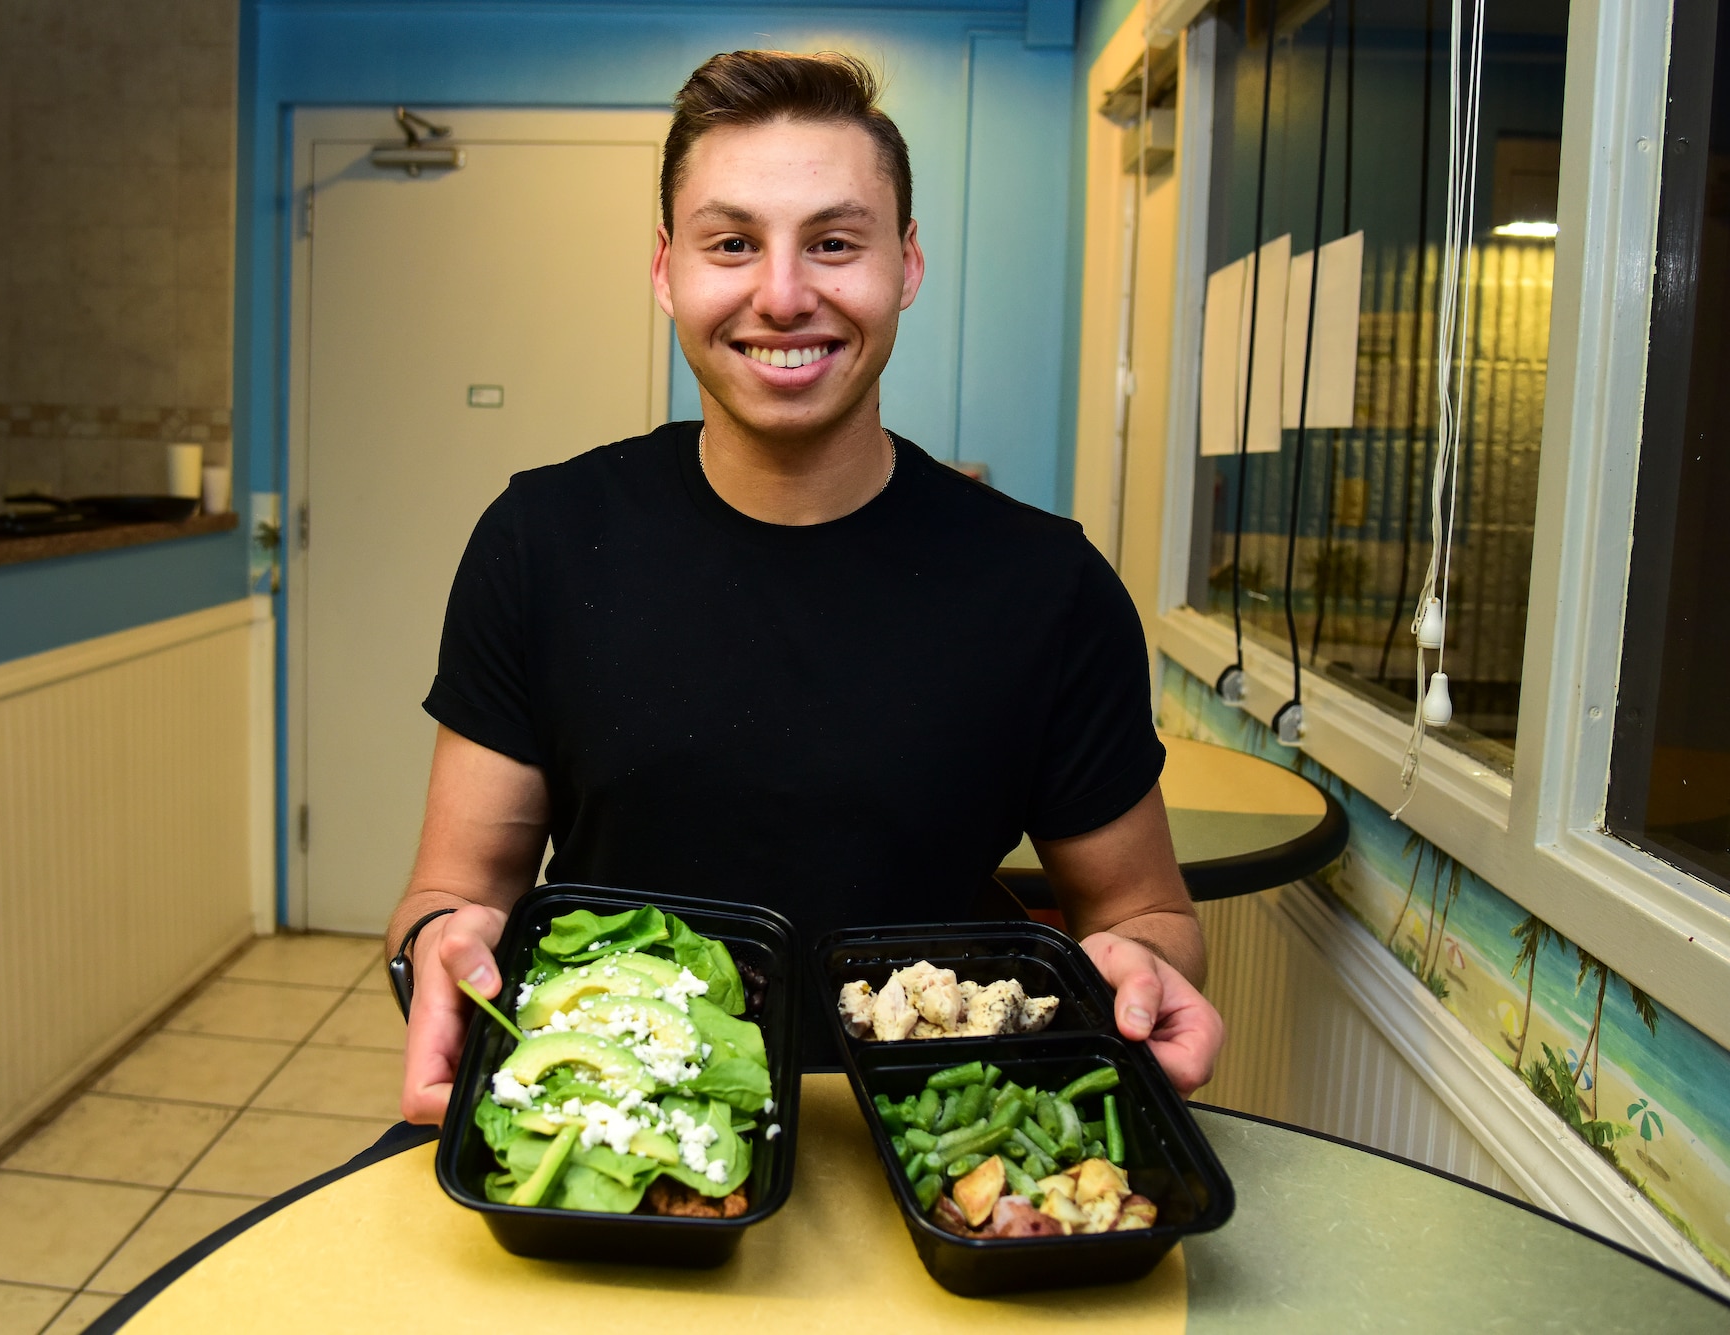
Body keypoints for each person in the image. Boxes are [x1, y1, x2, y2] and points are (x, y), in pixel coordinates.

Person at [388, 50, 1223, 1124]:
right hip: (614, 1129)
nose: (781, 297)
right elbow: (455, 894)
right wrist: (437, 948)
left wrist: (1145, 970)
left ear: (906, 266)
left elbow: (1144, 909)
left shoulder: (1044, 587)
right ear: (665, 272)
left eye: (834, 244)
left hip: (930, 1131)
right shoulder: (540, 541)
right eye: (730, 244)